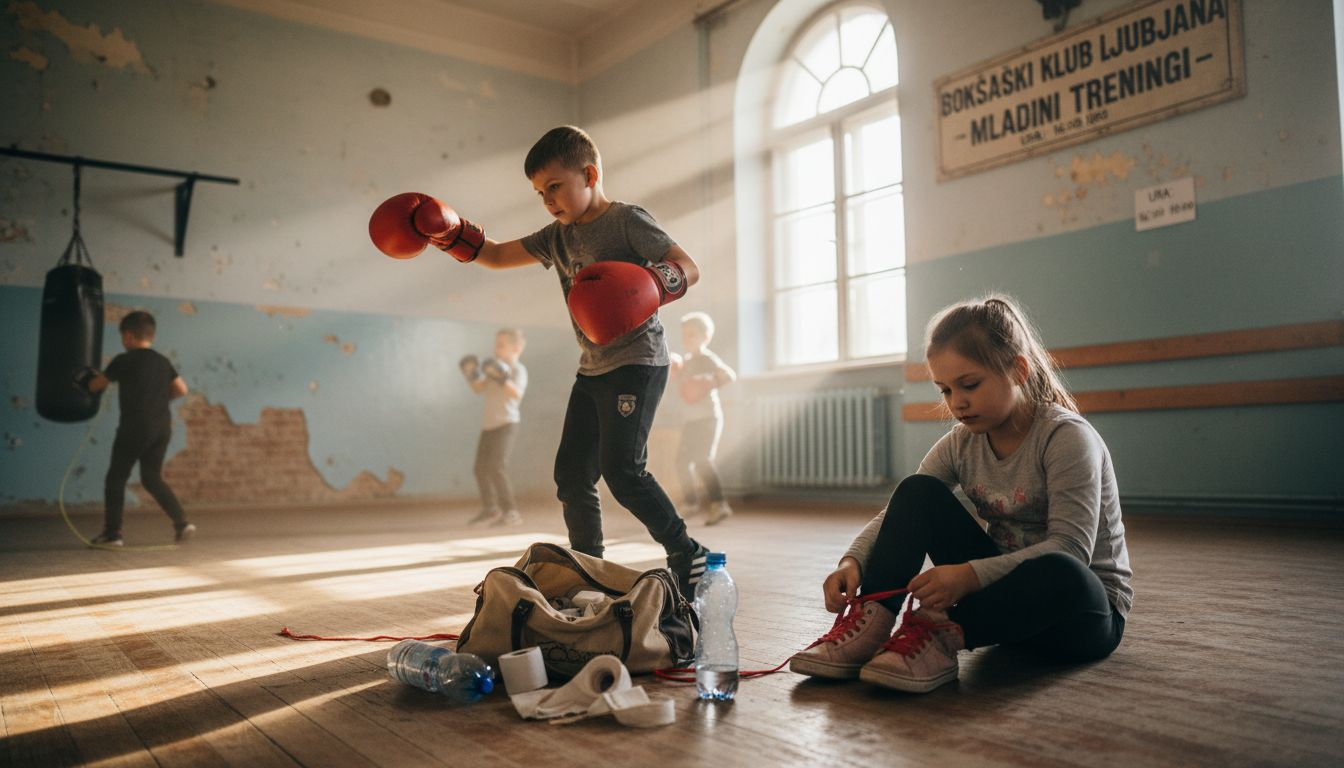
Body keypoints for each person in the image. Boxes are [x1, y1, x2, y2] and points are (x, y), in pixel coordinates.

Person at [369, 125, 710, 598]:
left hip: (637, 361)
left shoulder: (628, 221)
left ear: (589, 174)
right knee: (571, 475)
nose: (548, 200)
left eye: (554, 187)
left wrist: (647, 286)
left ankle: (686, 552)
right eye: (539, 193)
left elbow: (688, 265)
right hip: (592, 367)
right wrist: (446, 231)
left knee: (623, 472)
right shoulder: (557, 235)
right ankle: (589, 567)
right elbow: (493, 255)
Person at [789, 295, 1132, 693]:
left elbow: (1072, 548)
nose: (957, 403)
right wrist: (854, 561)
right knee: (917, 491)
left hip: (1080, 618)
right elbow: (900, 512)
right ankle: (871, 623)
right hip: (1003, 611)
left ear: (1019, 370)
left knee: (1063, 569)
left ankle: (942, 635)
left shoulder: (1066, 438)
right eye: (945, 390)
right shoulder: (960, 443)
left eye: (969, 385)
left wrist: (968, 576)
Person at [81, 311, 194, 546]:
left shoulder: (124, 360)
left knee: (116, 478)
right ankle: (182, 523)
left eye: (123, 336)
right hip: (162, 427)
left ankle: (113, 534)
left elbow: (96, 386)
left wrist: (83, 380)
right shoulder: (162, 361)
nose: (123, 341)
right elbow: (182, 389)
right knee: (151, 477)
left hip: (134, 427)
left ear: (129, 335)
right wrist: (161, 400)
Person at [671, 311, 736, 525]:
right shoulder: (686, 362)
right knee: (681, 461)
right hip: (691, 420)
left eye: (692, 334)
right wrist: (673, 369)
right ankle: (690, 504)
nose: (687, 339)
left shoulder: (708, 359)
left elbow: (729, 375)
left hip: (709, 418)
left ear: (705, 337)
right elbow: (679, 386)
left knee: (702, 460)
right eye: (684, 335)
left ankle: (719, 504)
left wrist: (708, 380)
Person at [461, 328, 528, 527]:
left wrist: (502, 377)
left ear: (516, 348)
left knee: (496, 467)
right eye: (495, 344)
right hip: (489, 425)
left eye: (501, 345)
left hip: (507, 423)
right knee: (480, 468)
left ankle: (512, 513)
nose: (496, 349)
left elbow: (516, 394)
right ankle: (490, 508)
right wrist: (471, 375)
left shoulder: (518, 370)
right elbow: (478, 389)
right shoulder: (494, 368)